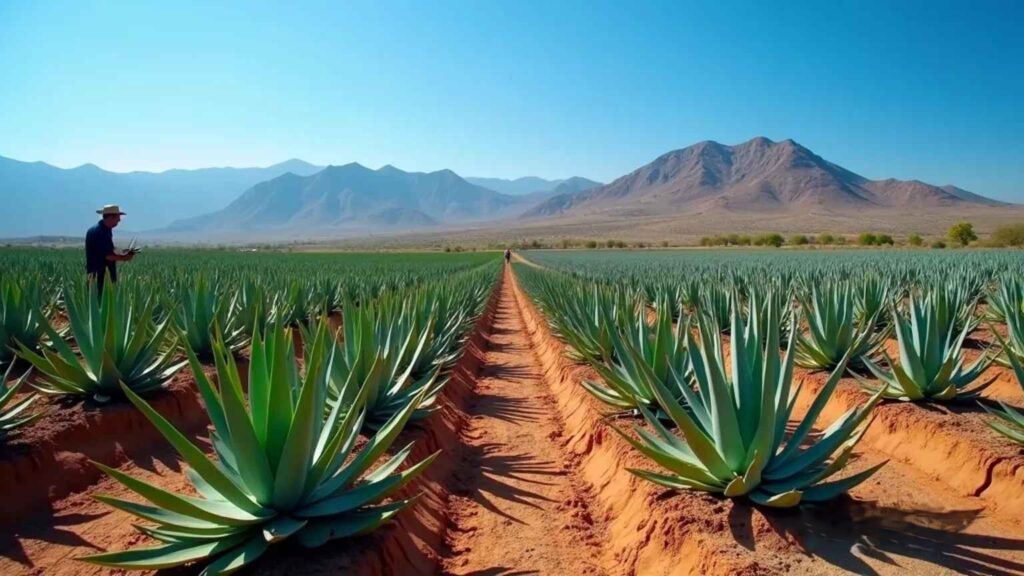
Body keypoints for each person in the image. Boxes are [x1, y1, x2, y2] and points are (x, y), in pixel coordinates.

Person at [86, 205, 136, 294]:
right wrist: (125, 258)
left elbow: (108, 249)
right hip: (100, 275)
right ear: (110, 217)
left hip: (101, 274)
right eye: (118, 217)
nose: (119, 220)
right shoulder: (100, 232)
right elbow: (108, 256)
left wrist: (122, 252)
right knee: (101, 300)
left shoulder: (104, 230)